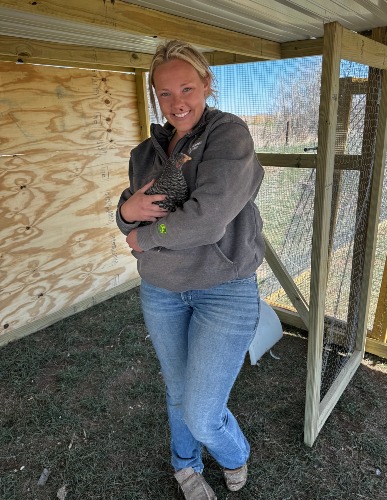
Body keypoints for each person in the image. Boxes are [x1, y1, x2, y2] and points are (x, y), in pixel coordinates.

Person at [116, 39, 265, 499]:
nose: (177, 102)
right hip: (162, 289)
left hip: (223, 288)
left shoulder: (228, 135)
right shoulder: (146, 152)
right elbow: (132, 207)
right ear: (155, 97)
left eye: (186, 88)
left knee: (202, 410)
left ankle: (233, 452)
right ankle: (185, 464)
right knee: (178, 391)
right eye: (165, 93)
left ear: (206, 84)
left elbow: (206, 218)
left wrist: (139, 236)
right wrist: (126, 214)